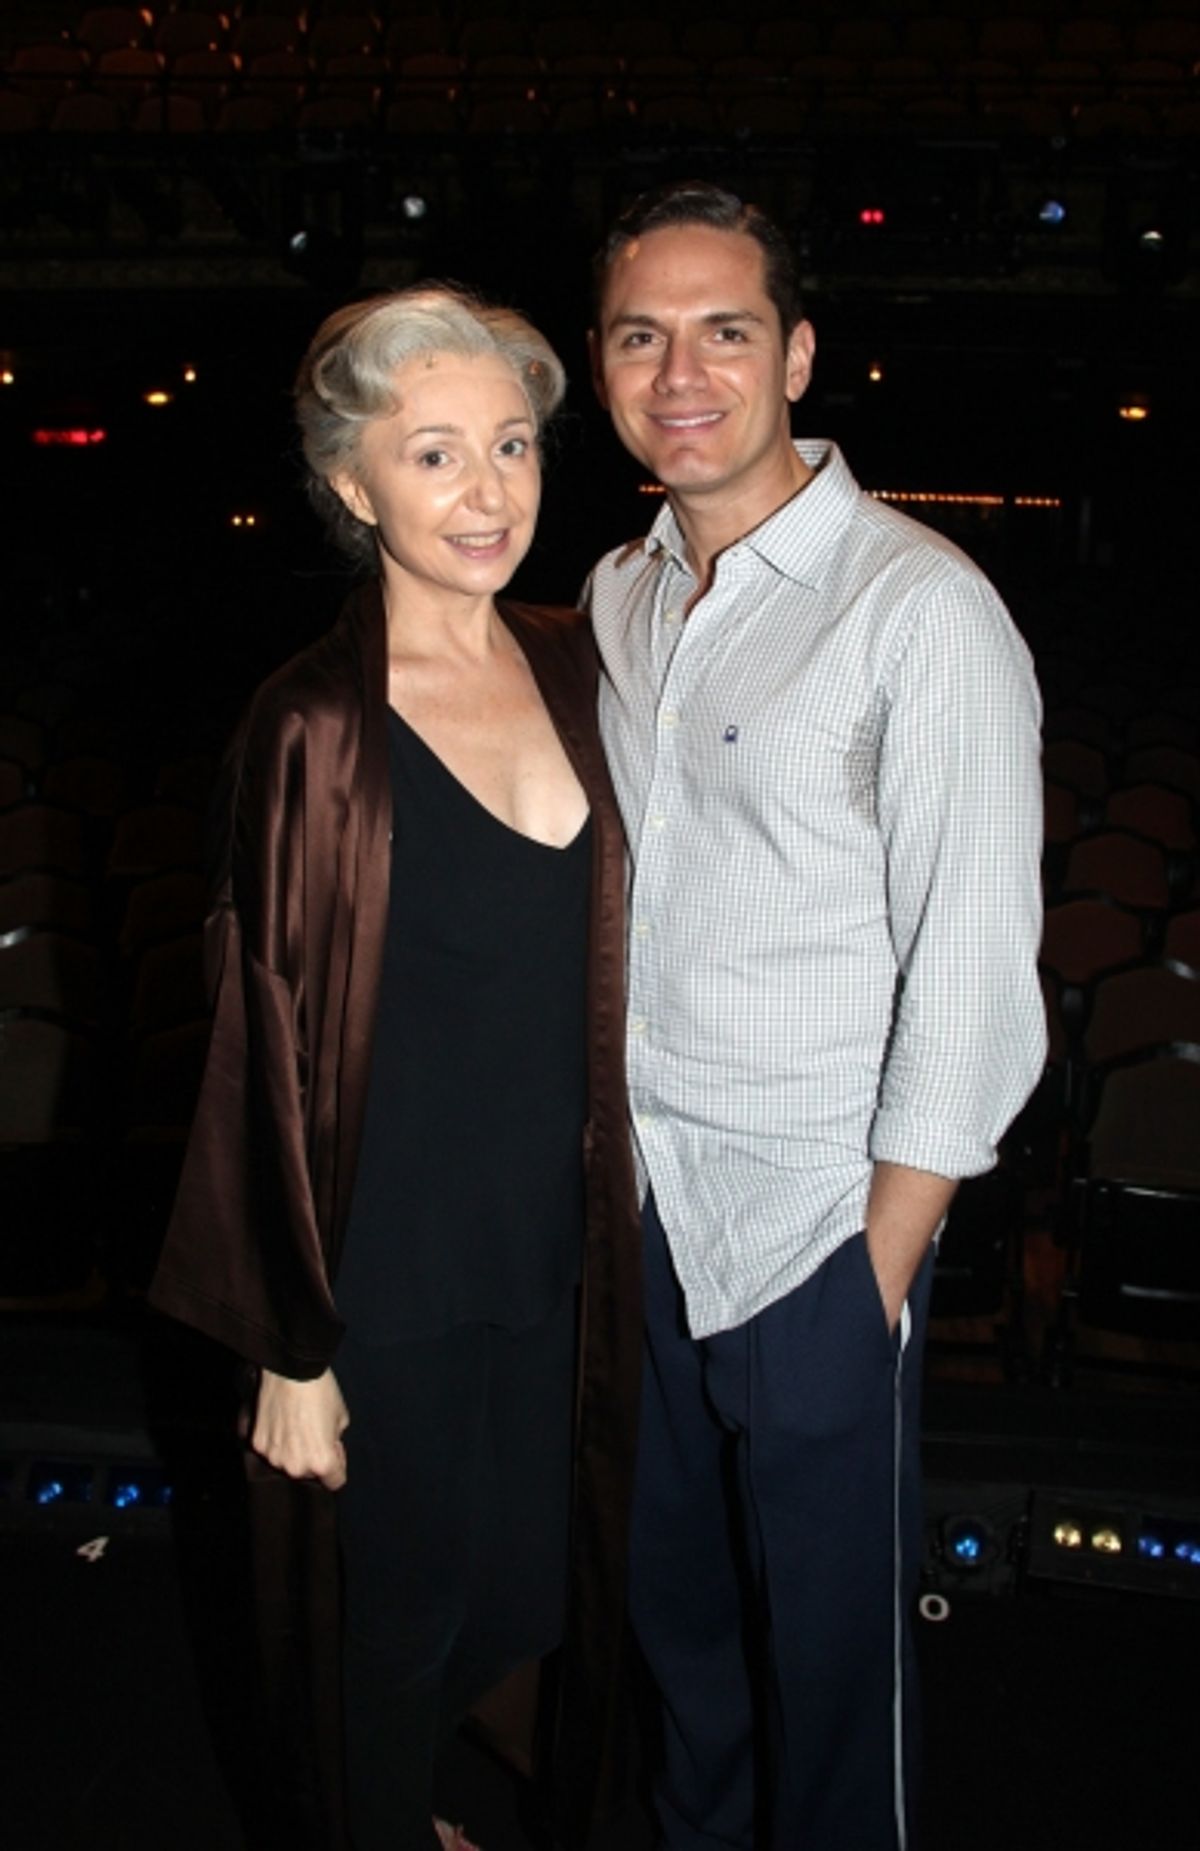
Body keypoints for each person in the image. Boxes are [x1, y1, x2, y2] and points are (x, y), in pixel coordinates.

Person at [585, 181, 1046, 1850]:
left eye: (724, 330)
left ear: (795, 356)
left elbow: (975, 973)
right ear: (602, 364)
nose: (680, 374)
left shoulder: (918, 606)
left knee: (835, 1689)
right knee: (681, 1642)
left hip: (813, 1238)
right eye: (640, 336)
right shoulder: (623, 595)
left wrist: (876, 1275)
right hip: (649, 1215)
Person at [149, 285, 640, 1851]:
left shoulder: (581, 666)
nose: (488, 491)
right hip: (387, 1274)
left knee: (530, 1596)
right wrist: (288, 1347)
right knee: (393, 1621)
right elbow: (258, 1039)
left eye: (512, 445)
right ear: (352, 486)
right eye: (435, 454)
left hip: (563, 1261)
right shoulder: (313, 727)